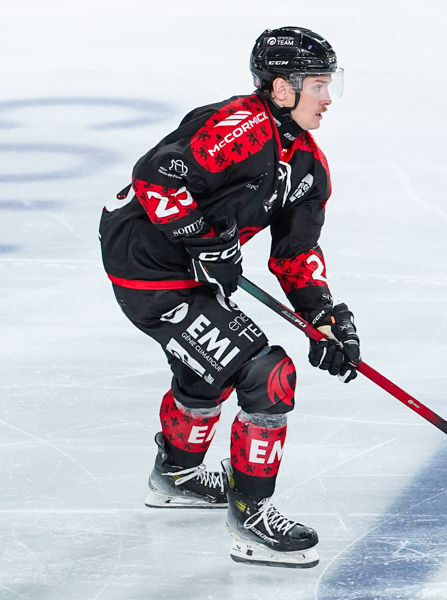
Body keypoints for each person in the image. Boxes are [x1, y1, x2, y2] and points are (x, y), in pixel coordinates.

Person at [98, 26, 359, 569]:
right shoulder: (240, 126)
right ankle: (251, 518)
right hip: (147, 266)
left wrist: (324, 316)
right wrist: (203, 239)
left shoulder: (307, 165)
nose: (328, 98)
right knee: (266, 374)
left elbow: (294, 254)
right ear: (281, 88)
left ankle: (176, 477)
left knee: (211, 362)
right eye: (317, 84)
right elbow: (157, 179)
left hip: (190, 269)